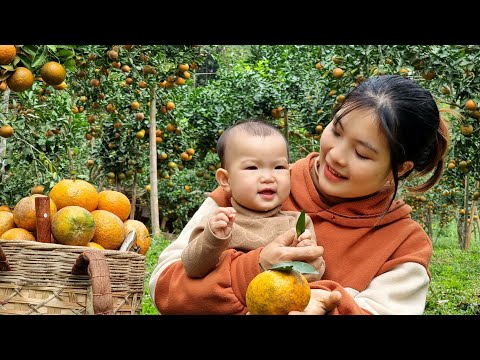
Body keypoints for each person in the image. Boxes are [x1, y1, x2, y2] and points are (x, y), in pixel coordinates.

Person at [149, 74, 449, 315]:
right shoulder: (253, 184)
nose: (336, 155)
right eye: (337, 130)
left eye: (362, 153)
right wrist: (253, 269)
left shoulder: (403, 244)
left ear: (399, 168)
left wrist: (324, 304)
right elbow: (164, 288)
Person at [181, 119, 323, 280]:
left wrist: (307, 256)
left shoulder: (298, 223)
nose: (268, 178)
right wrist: (213, 238)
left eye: (278, 167)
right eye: (252, 168)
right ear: (225, 180)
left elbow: (314, 275)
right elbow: (192, 268)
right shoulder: (219, 224)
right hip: (232, 300)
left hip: (286, 300)